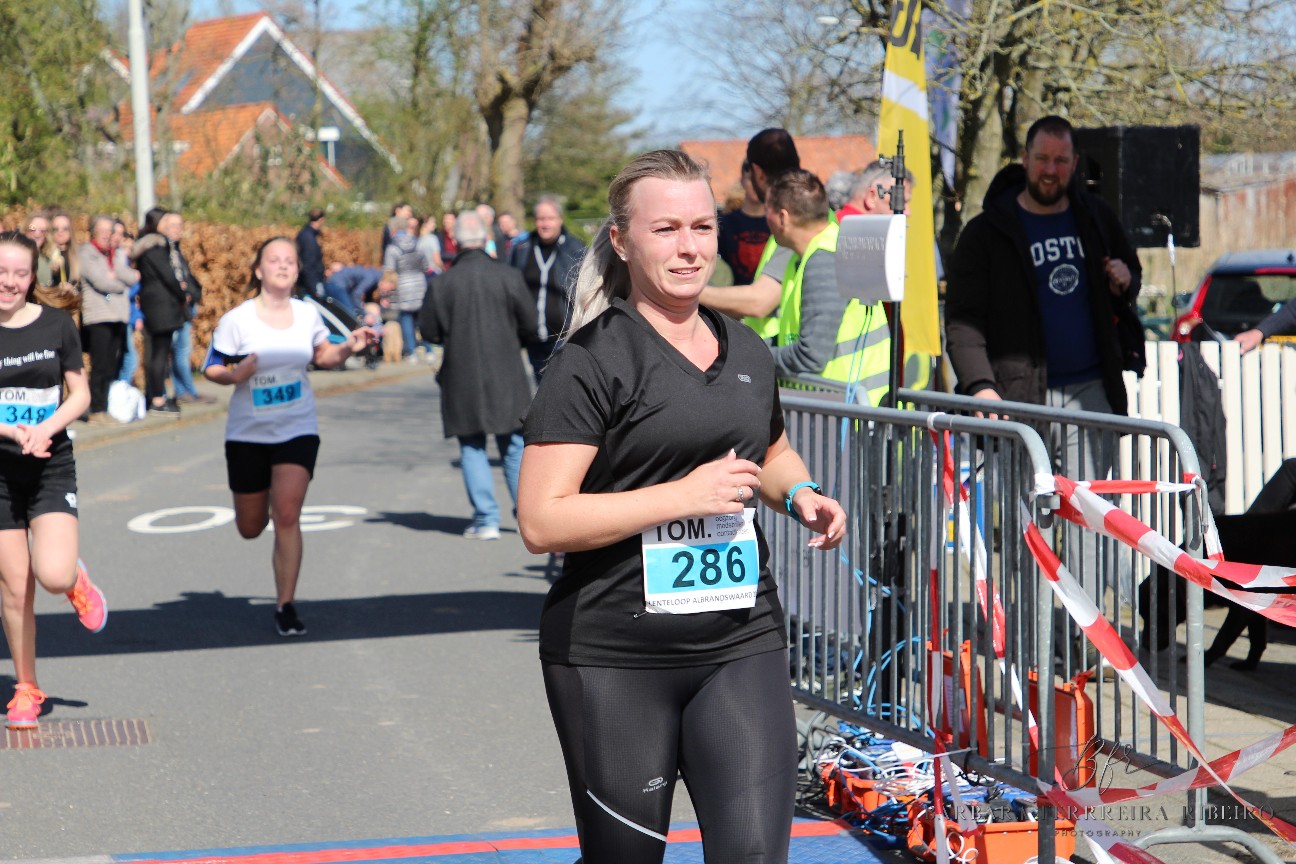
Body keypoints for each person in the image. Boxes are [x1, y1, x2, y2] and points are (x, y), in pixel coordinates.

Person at [516, 150, 846, 864]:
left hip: (740, 640)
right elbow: (541, 520)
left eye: (701, 227)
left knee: (755, 856)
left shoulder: (748, 351)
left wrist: (801, 495)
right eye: (665, 229)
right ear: (621, 241)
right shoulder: (592, 362)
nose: (689, 247)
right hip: (615, 657)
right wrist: (681, 497)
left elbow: (769, 451)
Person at [202, 238, 377, 636]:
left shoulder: (306, 314)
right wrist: (233, 376)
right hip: (248, 434)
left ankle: (285, 606)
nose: (282, 266)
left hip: (297, 428)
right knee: (250, 527)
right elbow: (212, 366)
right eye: (274, 260)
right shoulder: (238, 320)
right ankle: (259, 499)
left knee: (286, 515)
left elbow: (323, 356)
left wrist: (348, 347)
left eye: (290, 261)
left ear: (297, 270)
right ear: (259, 269)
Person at [945, 115, 1141, 417]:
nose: (1050, 170)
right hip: (1014, 396)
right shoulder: (985, 232)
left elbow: (1130, 276)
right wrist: (980, 384)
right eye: (1042, 159)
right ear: (1025, 159)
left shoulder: (1096, 217)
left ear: (1075, 163)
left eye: (1061, 160)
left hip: (1092, 391)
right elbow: (962, 322)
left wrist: (1124, 282)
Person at [0, 230, 109, 729]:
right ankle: (27, 687)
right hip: (1, 469)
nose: (9, 282)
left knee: (53, 575)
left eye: (19, 273)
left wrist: (45, 428)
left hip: (50, 463)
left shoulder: (57, 324)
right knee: (15, 588)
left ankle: (75, 580)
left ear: (32, 277)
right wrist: (11, 431)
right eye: (2, 272)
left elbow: (80, 393)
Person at [419, 209, 537, 540]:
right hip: (506, 370)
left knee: (471, 447)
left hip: (461, 372)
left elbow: (429, 330)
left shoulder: (443, 283)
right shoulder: (509, 276)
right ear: (486, 237)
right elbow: (530, 324)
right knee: (514, 447)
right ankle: (526, 517)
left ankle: (486, 519)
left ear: (454, 240)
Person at [763, 169, 892, 405]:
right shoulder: (817, 250)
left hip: (852, 415)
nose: (765, 219)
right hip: (842, 409)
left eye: (767, 210)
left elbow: (811, 356)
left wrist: (749, 359)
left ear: (782, 217)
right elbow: (793, 337)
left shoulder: (825, 259)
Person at [698, 128, 802, 341]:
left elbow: (760, 301)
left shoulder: (795, 221)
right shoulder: (812, 214)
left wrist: (682, 292)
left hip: (791, 352)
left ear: (757, 172)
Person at [506, 195, 585, 382]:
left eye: (550, 218)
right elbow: (511, 287)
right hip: (533, 339)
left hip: (563, 336)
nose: (545, 224)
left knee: (562, 388)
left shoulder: (575, 249)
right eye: (541, 219)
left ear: (560, 219)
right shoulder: (523, 248)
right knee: (540, 389)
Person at [133, 209, 195, 415]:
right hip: (161, 307)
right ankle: (157, 398)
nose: (170, 227)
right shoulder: (155, 246)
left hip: (156, 306)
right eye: (166, 222)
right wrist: (182, 293)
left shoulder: (147, 245)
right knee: (159, 353)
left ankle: (155, 395)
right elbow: (168, 275)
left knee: (158, 352)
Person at [79, 214, 138, 424]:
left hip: (117, 316)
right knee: (100, 364)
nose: (107, 235)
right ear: (93, 231)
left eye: (109, 231)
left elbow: (132, 277)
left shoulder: (114, 254)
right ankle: (96, 409)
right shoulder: (87, 253)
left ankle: (104, 407)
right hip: (98, 317)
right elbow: (101, 281)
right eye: (102, 230)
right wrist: (120, 283)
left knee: (112, 364)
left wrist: (117, 277)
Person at [160, 212, 212, 405]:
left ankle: (185, 391)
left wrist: (193, 294)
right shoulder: (162, 251)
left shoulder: (177, 250)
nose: (177, 229)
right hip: (172, 310)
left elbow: (187, 278)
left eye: (179, 225)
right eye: (173, 225)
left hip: (185, 309)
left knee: (182, 351)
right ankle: (187, 391)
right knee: (178, 352)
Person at [717, 160, 771, 285]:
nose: (757, 186)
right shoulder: (725, 223)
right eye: (752, 180)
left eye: (762, 180)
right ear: (742, 180)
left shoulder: (777, 225)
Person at [383, 217, 429, 362]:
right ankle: (429, 351)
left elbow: (389, 271)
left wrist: (386, 292)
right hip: (420, 284)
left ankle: (412, 352)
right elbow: (425, 266)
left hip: (403, 285)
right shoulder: (417, 242)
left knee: (406, 317)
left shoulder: (392, 248)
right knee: (422, 318)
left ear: (394, 229)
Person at [295, 208, 327, 298]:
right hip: (309, 285)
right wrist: (314, 288)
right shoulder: (309, 238)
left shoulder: (304, 234)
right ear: (321, 220)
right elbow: (308, 265)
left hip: (306, 283)